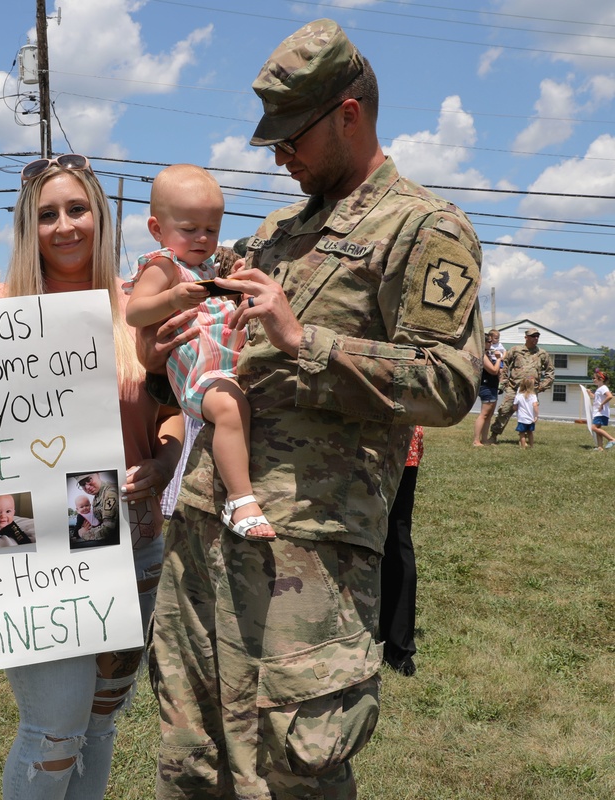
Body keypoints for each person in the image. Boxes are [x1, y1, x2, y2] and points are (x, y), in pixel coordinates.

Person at [144, 19, 483, 799]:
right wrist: (172, 357)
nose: (278, 155)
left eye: (292, 135)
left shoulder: (424, 228)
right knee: (192, 755)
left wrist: (305, 341)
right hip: (206, 526)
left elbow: (448, 383)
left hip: (310, 557)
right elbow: (222, 365)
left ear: (349, 115)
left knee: (289, 768)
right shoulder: (273, 234)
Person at [0, 153, 184, 800]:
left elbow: (169, 411)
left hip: (134, 548)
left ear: (100, 217)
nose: (64, 225)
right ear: (29, 226)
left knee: (99, 728)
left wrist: (164, 461)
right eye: (46, 214)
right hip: (31, 554)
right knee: (54, 730)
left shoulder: (139, 310)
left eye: (76, 209)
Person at [124, 165, 273, 541]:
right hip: (199, 375)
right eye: (189, 229)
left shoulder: (204, 268)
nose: (202, 238)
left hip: (226, 368)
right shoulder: (164, 267)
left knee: (241, 407)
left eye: (212, 230)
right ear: (157, 229)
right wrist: (171, 297)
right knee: (228, 408)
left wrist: (236, 280)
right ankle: (239, 499)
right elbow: (135, 311)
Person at [380, 426, 423, 676]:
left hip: (386, 442)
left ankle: (398, 648)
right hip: (401, 440)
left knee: (396, 537)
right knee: (396, 536)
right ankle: (397, 648)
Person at [487, 328, 553, 444]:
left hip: (531, 391)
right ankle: (494, 435)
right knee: (504, 410)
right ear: (526, 337)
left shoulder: (542, 354)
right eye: (533, 336)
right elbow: (505, 364)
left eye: (537, 336)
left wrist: (541, 387)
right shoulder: (515, 350)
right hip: (513, 387)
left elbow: (550, 373)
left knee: (530, 414)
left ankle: (525, 438)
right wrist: (504, 381)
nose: (535, 338)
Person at [73, 471, 120, 544]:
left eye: (89, 479)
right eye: (82, 484)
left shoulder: (110, 493)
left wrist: (83, 534)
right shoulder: (96, 497)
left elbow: (108, 529)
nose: (87, 487)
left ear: (98, 474)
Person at [473, 332, 502, 446]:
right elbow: (493, 370)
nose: (491, 343)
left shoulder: (488, 354)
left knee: (489, 415)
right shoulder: (482, 355)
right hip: (486, 386)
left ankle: (484, 440)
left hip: (492, 386)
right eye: (489, 341)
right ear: (483, 342)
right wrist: (499, 359)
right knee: (484, 414)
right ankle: (476, 440)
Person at [587, 369, 615, 450]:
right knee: (597, 429)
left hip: (601, 412)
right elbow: (596, 398)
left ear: (601, 379)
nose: (593, 379)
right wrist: (589, 393)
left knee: (594, 428)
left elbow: (610, 396)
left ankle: (612, 439)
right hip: (598, 412)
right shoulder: (599, 389)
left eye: (594, 378)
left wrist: (602, 404)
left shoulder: (603, 387)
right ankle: (600, 447)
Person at [514, 376, 538, 449]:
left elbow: (515, 406)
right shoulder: (533, 396)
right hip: (531, 418)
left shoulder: (519, 396)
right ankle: (531, 446)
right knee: (530, 433)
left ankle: (523, 447)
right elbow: (535, 406)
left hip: (522, 418)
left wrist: (516, 409)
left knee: (522, 433)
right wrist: (536, 415)